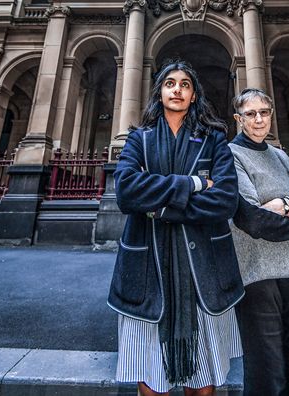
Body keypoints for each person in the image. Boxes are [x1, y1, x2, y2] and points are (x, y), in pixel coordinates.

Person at [107, 60, 244, 396]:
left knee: (203, 381)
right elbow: (126, 191)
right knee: (151, 381)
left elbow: (226, 199)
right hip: (146, 270)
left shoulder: (213, 139)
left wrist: (157, 207)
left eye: (185, 84)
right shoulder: (138, 138)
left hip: (204, 273)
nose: (178, 89)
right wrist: (195, 183)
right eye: (170, 83)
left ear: (194, 94)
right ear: (160, 91)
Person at [229, 88, 289, 396]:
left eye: (265, 112)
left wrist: (284, 205)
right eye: (251, 114)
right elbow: (250, 216)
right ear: (239, 119)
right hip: (257, 274)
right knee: (266, 369)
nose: (259, 119)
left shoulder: (280, 156)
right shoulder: (232, 155)